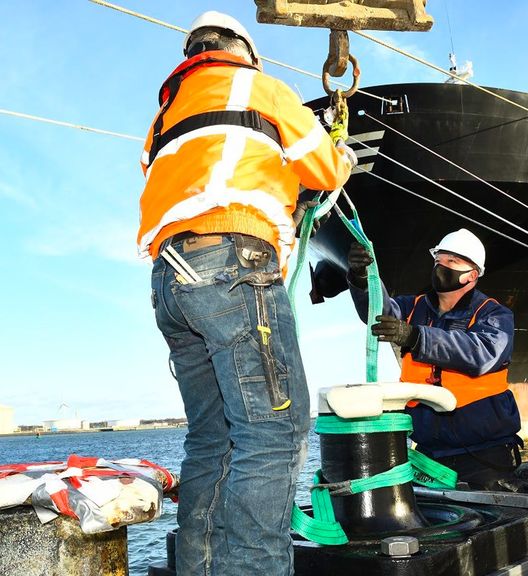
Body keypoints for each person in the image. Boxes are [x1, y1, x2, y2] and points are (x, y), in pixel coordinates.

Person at [137, 11, 356, 576]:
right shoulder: (261, 88)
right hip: (237, 265)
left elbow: (208, 176)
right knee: (273, 433)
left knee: (212, 440)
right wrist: (343, 154)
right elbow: (327, 171)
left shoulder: (163, 119)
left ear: (193, 55)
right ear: (245, 53)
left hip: (171, 277)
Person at [347, 228, 528, 492]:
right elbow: (378, 312)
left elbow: (482, 353)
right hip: (429, 455)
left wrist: (418, 338)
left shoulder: (494, 314)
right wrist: (362, 280)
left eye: (452, 261)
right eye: (439, 259)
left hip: (483, 454)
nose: (442, 266)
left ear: (472, 275)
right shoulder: (412, 307)